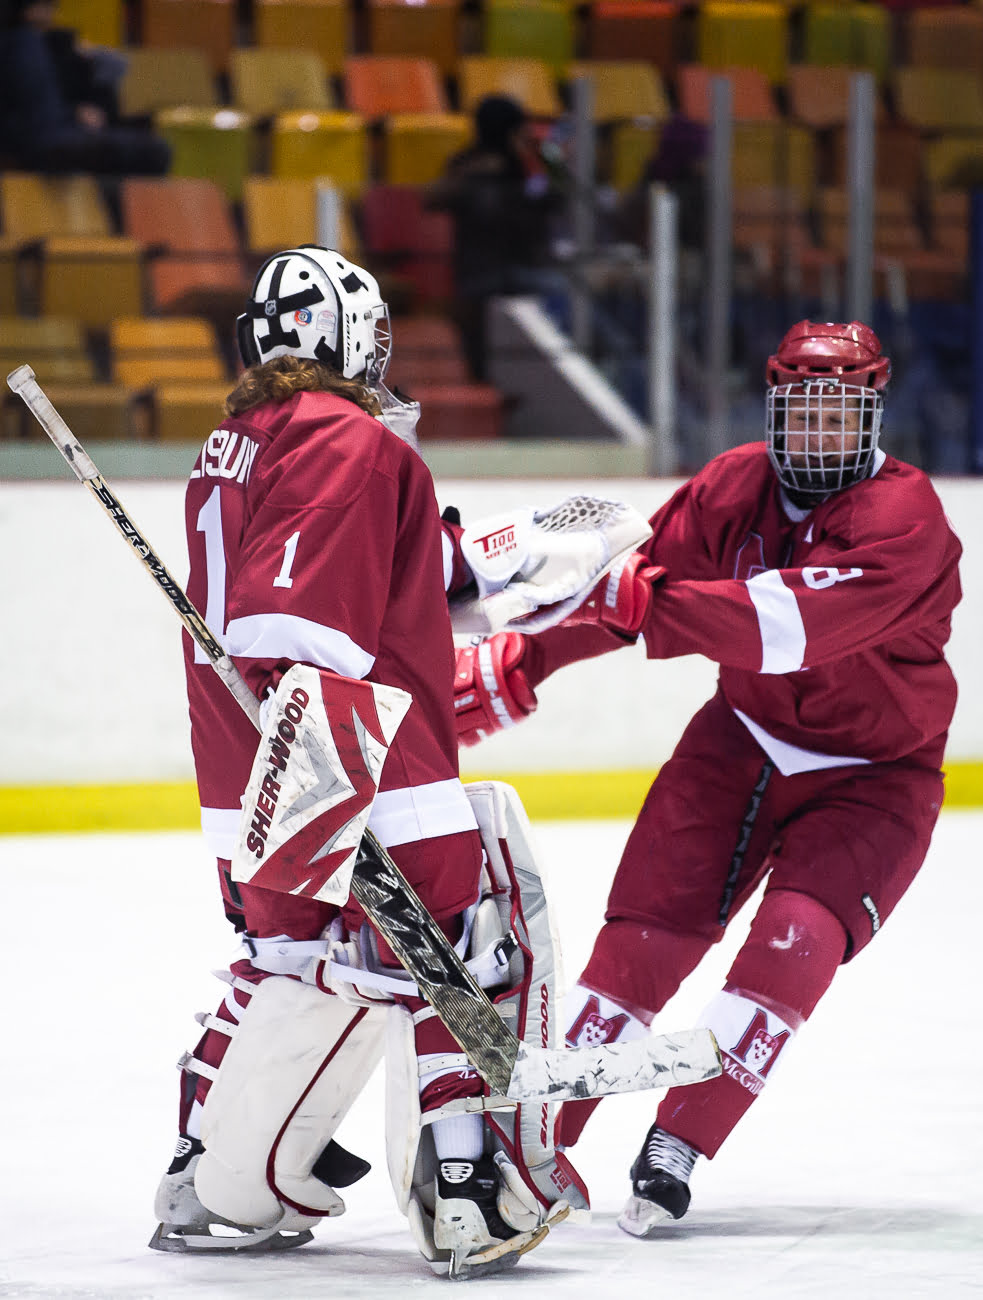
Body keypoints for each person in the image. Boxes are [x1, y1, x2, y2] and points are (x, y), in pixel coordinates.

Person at [452, 320, 962, 1234]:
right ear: (772, 410)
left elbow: (784, 626)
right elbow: (634, 582)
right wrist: (525, 659)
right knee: (638, 949)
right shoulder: (733, 484)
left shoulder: (906, 520)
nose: (814, 434)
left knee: (791, 949)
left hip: (875, 777)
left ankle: (680, 1140)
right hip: (740, 740)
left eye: (836, 413)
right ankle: (539, 1140)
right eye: (799, 411)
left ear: (871, 415)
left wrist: (631, 600)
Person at [151, 246, 587, 1275]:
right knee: (470, 949)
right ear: (332, 333)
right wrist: (326, 815)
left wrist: (522, 554)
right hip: (354, 759)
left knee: (282, 963)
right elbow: (297, 627)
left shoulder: (242, 438)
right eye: (370, 330)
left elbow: (402, 573)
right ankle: (469, 1196)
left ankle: (204, 1173)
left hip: (248, 770)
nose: (381, 352)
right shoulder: (337, 435)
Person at [426, 94, 565, 381]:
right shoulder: (471, 165)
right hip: (484, 275)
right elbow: (433, 199)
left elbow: (555, 201)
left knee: (561, 296)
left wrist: (538, 161)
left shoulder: (528, 165)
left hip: (524, 270)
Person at [0, 0, 170, 174]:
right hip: (39, 143)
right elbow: (29, 116)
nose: (53, 12)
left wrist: (74, 111)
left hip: (58, 132)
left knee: (148, 145)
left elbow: (41, 105)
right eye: (48, 5)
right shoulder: (20, 45)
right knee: (151, 153)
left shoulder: (41, 44)